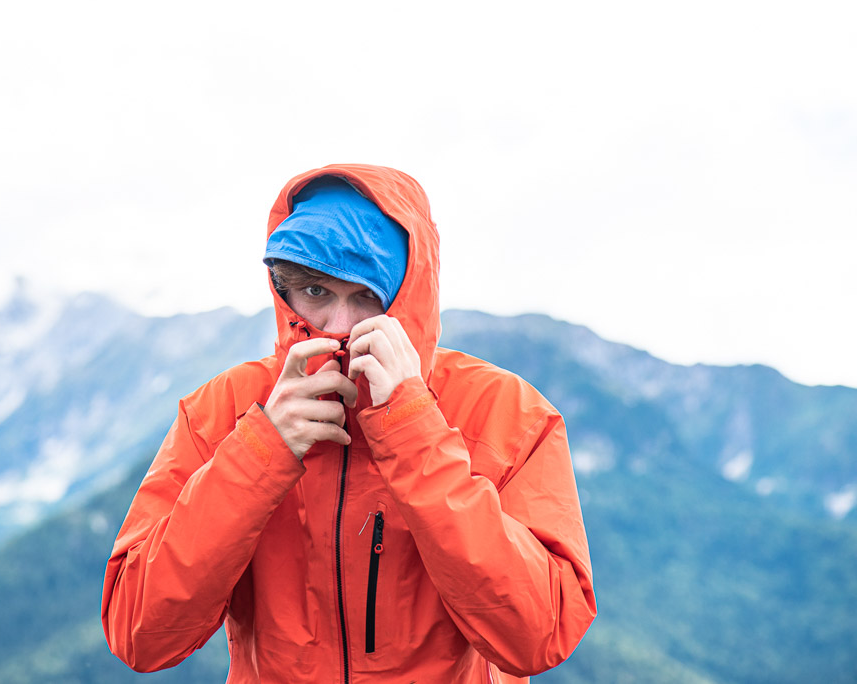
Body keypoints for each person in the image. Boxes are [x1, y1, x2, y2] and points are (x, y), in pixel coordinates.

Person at [101, 164, 596, 683]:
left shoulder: (507, 413)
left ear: (409, 294)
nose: (340, 327)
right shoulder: (223, 410)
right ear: (283, 292)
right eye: (315, 292)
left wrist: (411, 427)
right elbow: (140, 633)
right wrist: (261, 450)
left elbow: (540, 634)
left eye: (365, 295)